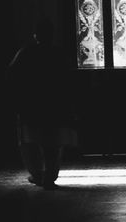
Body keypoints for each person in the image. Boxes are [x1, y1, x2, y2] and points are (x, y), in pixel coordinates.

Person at [6, 18, 75, 187]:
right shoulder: (58, 54)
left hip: (31, 106)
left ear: (36, 35)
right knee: (52, 143)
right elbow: (68, 80)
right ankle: (49, 177)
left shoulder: (26, 53)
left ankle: (37, 174)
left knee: (32, 142)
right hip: (54, 106)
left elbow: (12, 75)